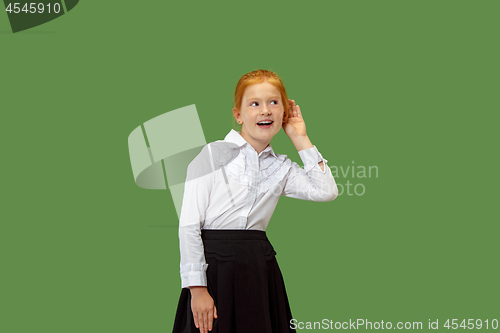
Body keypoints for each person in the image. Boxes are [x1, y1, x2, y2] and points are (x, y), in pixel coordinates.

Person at [172, 69, 338, 333]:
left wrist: (300, 137)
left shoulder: (282, 167)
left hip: (259, 268)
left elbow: (326, 191)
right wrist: (197, 288)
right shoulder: (213, 155)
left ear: (284, 113)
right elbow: (189, 225)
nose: (266, 111)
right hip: (214, 269)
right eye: (255, 104)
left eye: (274, 102)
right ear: (238, 114)